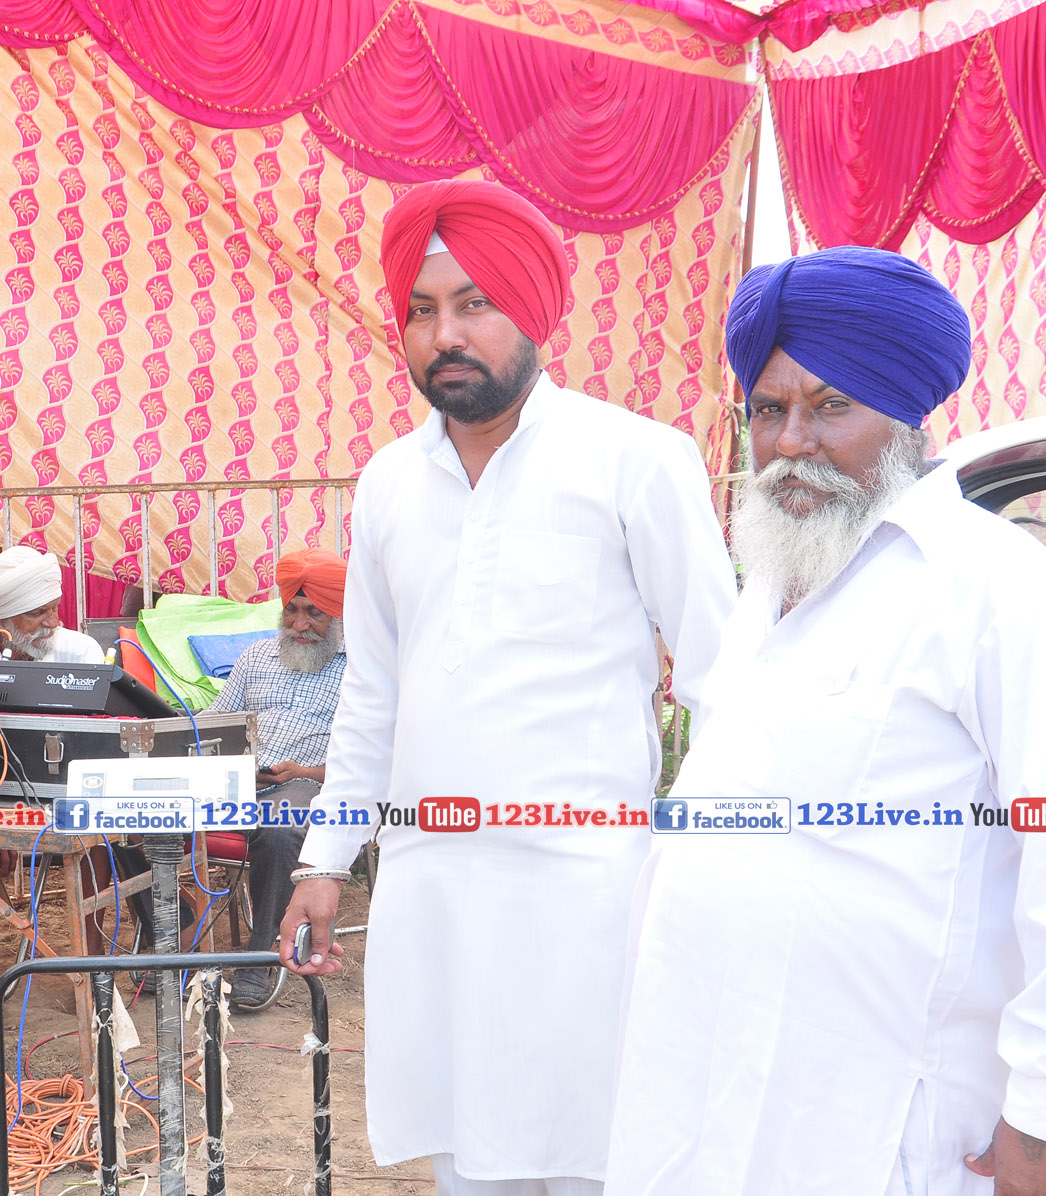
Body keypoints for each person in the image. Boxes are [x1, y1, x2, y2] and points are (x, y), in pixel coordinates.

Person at [605, 247, 1046, 1196]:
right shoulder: (774, 579)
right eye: (768, 410)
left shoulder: (1002, 592)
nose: (792, 441)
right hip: (706, 1080)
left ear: (905, 416)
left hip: (875, 1120)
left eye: (832, 406)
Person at [278, 179, 738, 1195]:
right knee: (467, 1162)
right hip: (434, 890)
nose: (446, 333)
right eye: (422, 309)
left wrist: (708, 861)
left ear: (532, 310)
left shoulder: (637, 459)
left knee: (600, 1159)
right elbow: (374, 693)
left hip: (587, 892)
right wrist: (325, 857)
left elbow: (725, 680)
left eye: (475, 302)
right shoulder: (388, 483)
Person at [208, 547, 350, 1009]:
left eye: (315, 613)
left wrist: (305, 771)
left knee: (281, 825)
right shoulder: (256, 657)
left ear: (339, 615)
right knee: (134, 814)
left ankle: (260, 957)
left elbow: (372, 760)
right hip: (240, 780)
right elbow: (214, 722)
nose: (300, 624)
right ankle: (175, 932)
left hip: (309, 784)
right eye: (292, 610)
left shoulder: (361, 668)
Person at [0, 544, 105, 662]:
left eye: (54, 607)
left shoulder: (81, 653)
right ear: (2, 620)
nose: (53, 623)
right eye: (37, 613)